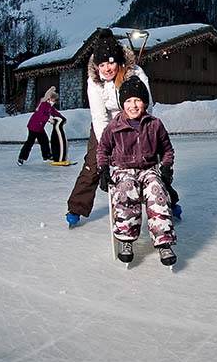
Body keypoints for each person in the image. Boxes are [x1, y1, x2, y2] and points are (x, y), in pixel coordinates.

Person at [66, 29, 181, 226]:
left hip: (135, 121)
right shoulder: (94, 80)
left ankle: (169, 201)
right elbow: (99, 116)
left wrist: (140, 132)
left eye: (110, 63)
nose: (106, 69)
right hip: (105, 126)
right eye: (102, 64)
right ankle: (76, 208)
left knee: (147, 164)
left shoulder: (135, 73)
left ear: (118, 61)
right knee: (94, 163)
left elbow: (147, 106)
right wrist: (107, 144)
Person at [97, 76, 177, 266]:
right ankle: (126, 239)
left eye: (138, 100)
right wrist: (103, 170)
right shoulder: (114, 127)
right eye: (128, 101)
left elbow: (167, 149)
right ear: (122, 104)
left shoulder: (155, 124)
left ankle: (163, 241)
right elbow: (102, 150)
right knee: (126, 188)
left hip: (148, 169)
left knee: (157, 190)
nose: (133, 106)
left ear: (145, 103)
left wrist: (166, 167)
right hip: (123, 169)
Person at [17, 86, 64, 166]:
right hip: (33, 126)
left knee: (44, 141)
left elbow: (54, 112)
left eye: (55, 100)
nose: (54, 101)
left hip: (40, 128)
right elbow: (40, 115)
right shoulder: (42, 104)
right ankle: (21, 158)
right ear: (49, 98)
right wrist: (49, 119)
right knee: (30, 142)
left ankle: (46, 155)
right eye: (54, 99)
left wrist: (62, 117)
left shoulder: (49, 106)